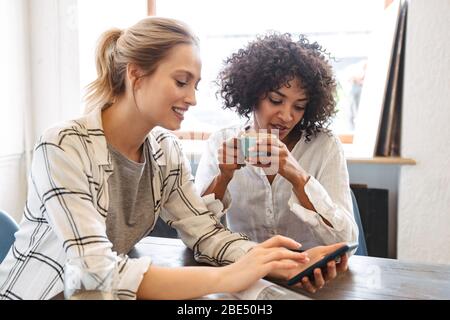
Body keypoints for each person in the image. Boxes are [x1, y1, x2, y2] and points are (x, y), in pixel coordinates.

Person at [0, 18, 312, 300]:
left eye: (195, 85)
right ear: (135, 73)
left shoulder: (166, 150)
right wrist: (228, 276)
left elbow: (205, 232)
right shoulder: (63, 145)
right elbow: (94, 270)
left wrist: (275, 258)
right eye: (181, 81)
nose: (192, 98)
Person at [195, 33, 358, 290]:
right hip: (245, 280)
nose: (287, 116)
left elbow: (346, 241)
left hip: (310, 280)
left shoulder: (324, 146)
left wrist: (295, 173)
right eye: (276, 100)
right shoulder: (221, 142)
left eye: (299, 106)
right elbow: (196, 232)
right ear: (253, 93)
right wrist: (223, 177)